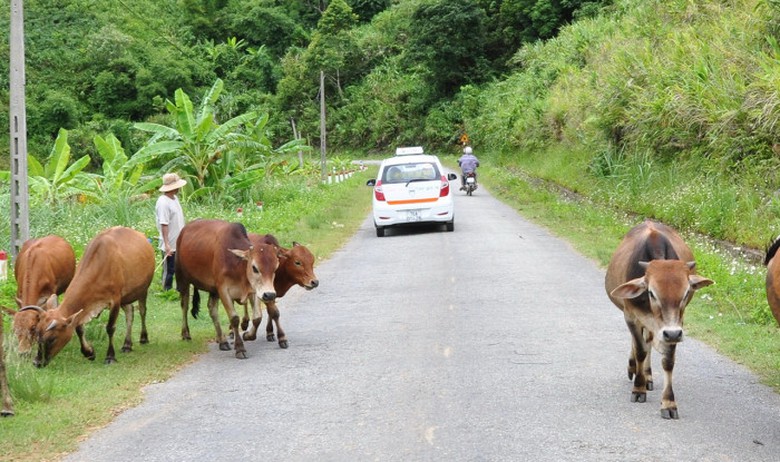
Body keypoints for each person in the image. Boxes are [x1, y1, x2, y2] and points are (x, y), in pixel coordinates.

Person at [155, 172, 187, 291]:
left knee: (179, 267)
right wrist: (167, 244)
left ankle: (179, 289)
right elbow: (164, 224)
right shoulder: (163, 202)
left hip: (179, 240)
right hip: (170, 242)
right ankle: (166, 289)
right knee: (169, 269)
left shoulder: (175, 198)